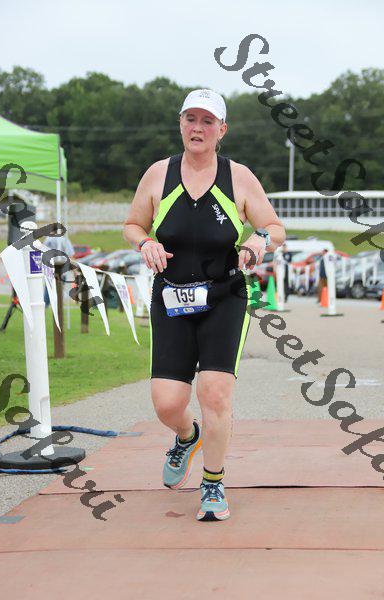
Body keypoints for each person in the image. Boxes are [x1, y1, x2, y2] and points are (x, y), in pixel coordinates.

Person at [123, 89, 285, 522]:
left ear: (222, 130)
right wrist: (145, 242)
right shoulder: (158, 174)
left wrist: (259, 239)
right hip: (171, 296)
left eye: (207, 121)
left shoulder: (239, 177)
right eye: (190, 118)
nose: (198, 127)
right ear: (180, 123)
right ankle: (186, 436)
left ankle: (213, 482)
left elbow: (274, 227)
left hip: (224, 297)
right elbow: (132, 224)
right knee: (167, 403)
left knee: (214, 393)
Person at [42, 235, 74, 308]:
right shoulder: (64, 240)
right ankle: (54, 307)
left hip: (53, 270)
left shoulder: (48, 239)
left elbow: (43, 253)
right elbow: (71, 254)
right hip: (60, 270)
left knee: (50, 290)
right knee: (56, 291)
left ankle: (49, 307)